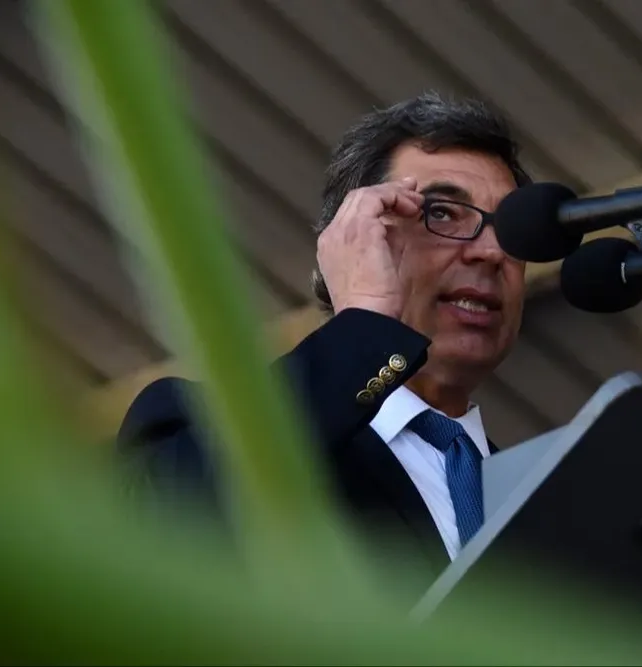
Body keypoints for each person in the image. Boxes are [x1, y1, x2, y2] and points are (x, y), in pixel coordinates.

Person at [117, 92, 532, 589]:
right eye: (441, 214)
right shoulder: (197, 422)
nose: (491, 252)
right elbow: (172, 530)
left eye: (511, 229)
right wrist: (363, 320)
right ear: (357, 238)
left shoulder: (545, 493)